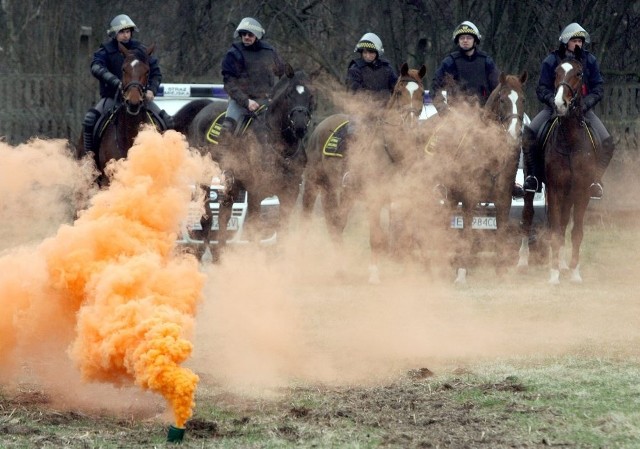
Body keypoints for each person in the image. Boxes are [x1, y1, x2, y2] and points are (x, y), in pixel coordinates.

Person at [522, 23, 614, 199]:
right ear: (565, 42)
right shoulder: (551, 60)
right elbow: (541, 88)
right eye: (574, 40)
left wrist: (585, 105)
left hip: (583, 111)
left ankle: (595, 180)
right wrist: (553, 101)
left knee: (608, 142)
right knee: (529, 133)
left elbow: (598, 88)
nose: (578, 44)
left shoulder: (590, 60)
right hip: (554, 109)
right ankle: (534, 177)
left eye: (580, 40)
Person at [81, 14, 169, 156]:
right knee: (90, 120)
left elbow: (156, 74)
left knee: (167, 121)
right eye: (122, 32)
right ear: (114, 34)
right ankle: (89, 160)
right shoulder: (105, 51)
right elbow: (96, 68)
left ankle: (169, 160)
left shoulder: (141, 51)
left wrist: (152, 90)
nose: (126, 35)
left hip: (140, 98)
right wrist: (116, 82)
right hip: (112, 97)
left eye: (128, 32)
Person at [219, 17, 286, 138]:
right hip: (241, 102)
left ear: (257, 36)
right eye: (243, 34)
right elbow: (229, 84)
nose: (246, 37)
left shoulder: (269, 52)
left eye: (250, 34)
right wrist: (246, 101)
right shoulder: (233, 53)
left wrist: (275, 96)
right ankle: (218, 155)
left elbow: (283, 74)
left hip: (267, 102)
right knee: (227, 131)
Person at [431, 21, 500, 109]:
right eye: (462, 38)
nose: (465, 40)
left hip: (484, 113)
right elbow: (435, 87)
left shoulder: (486, 61)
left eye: (469, 38)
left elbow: (498, 88)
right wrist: (442, 109)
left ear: (475, 40)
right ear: (458, 41)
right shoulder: (449, 62)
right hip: (456, 114)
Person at [345, 33, 398, 103]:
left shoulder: (387, 68)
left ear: (377, 53)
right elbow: (354, 93)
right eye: (365, 52)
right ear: (361, 53)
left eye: (371, 52)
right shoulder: (355, 69)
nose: (367, 55)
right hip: (362, 110)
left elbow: (396, 89)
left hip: (387, 109)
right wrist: (378, 97)